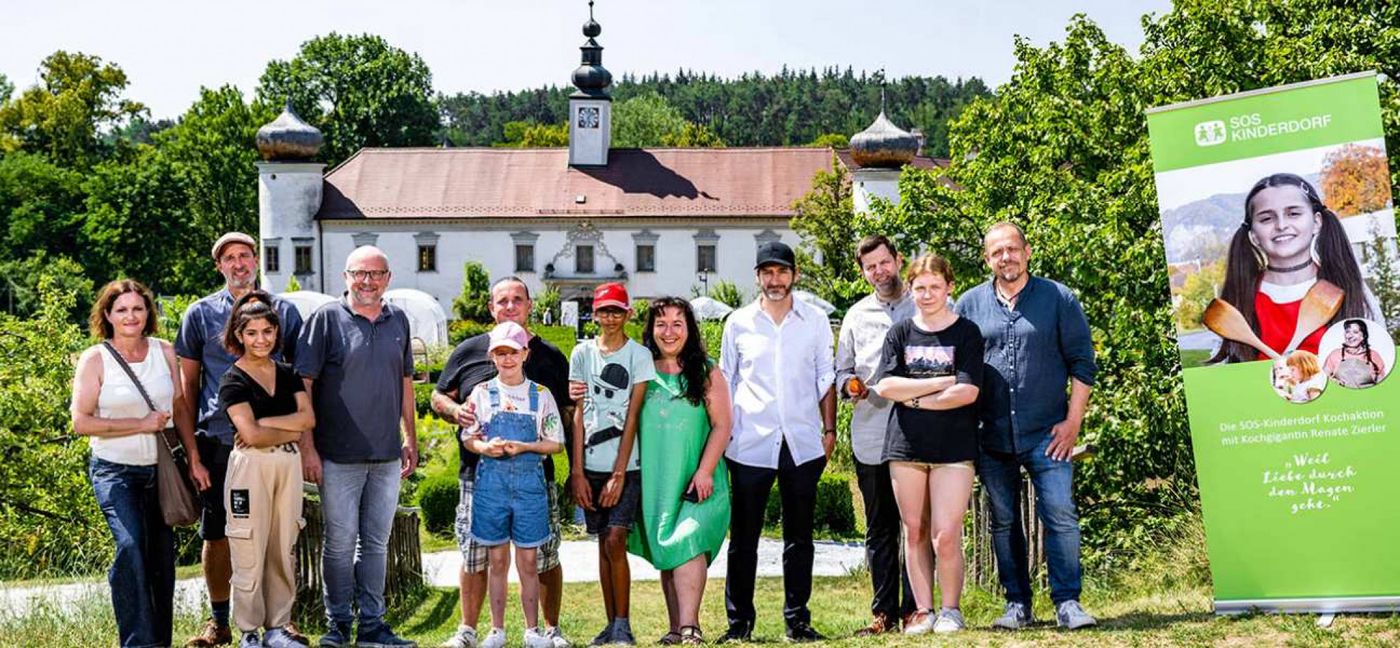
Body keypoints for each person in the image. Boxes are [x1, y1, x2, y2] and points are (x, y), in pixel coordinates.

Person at [954, 221, 1098, 630]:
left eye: (1012, 249)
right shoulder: (969, 305)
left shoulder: (1058, 298)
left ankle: (1068, 602)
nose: (1006, 257)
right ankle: (1017, 604)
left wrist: (1073, 422)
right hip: (991, 435)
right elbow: (955, 367)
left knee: (1061, 516)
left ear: (1027, 251)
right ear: (987, 259)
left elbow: (1083, 364)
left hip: (1048, 433)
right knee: (1003, 521)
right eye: (997, 252)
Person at [177, 232, 304, 648]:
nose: (238, 264)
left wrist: (304, 441)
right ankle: (220, 622)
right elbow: (187, 389)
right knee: (219, 535)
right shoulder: (198, 315)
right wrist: (193, 455)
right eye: (229, 258)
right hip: (218, 443)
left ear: (256, 260)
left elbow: (301, 383)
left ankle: (281, 621)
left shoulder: (284, 311)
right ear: (219, 266)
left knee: (279, 533)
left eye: (245, 256)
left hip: (276, 443)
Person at [431, 277, 573, 648]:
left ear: (529, 304)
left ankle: (547, 629)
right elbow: (437, 398)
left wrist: (574, 468)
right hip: (480, 477)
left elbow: (565, 418)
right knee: (476, 555)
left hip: (533, 481)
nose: (509, 306)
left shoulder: (551, 359)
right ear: (491, 308)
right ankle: (471, 630)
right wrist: (459, 413)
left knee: (543, 556)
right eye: (502, 301)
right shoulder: (468, 351)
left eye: (517, 300)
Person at [72, 279, 206, 648]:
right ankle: (137, 642)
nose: (130, 316)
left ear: (148, 312)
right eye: (122, 310)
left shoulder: (164, 351)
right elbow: (81, 421)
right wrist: (139, 424)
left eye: (137, 308)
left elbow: (179, 408)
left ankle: (159, 641)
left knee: (160, 562)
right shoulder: (95, 359)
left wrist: (194, 458)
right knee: (130, 549)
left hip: (161, 471)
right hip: (115, 472)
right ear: (107, 315)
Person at [295, 246, 418, 648]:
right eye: (359, 273)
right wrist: (307, 448)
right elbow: (304, 385)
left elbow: (405, 384)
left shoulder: (398, 319)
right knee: (340, 544)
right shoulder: (326, 319)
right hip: (336, 455)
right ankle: (337, 626)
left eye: (376, 274)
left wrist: (410, 438)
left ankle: (372, 627)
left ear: (388, 277)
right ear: (346, 277)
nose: (367, 281)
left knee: (377, 544)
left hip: (385, 455)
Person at [718, 241, 836, 643]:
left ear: (794, 274)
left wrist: (829, 430)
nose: (775, 279)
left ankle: (797, 620)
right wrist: (724, 435)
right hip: (750, 441)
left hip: (802, 441)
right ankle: (739, 624)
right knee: (744, 538)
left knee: (799, 538)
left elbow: (827, 376)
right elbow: (727, 380)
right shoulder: (738, 322)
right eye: (767, 272)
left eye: (782, 271)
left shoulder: (816, 320)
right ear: (757, 277)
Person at [869, 255, 983, 634]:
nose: (928, 294)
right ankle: (923, 610)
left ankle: (951, 609)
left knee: (945, 533)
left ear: (950, 287)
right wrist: (938, 384)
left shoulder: (966, 333)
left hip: (954, 448)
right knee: (913, 529)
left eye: (935, 287)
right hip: (905, 447)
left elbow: (967, 391)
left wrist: (913, 395)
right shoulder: (899, 334)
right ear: (911, 290)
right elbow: (886, 386)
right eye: (920, 287)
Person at [627, 297, 732, 646]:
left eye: (677, 323)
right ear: (650, 330)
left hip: (699, 477)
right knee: (667, 545)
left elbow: (722, 425)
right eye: (661, 324)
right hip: (657, 479)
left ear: (690, 329)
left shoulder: (706, 371)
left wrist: (705, 471)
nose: (669, 331)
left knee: (688, 540)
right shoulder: (640, 372)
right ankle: (675, 628)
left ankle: (691, 627)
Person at [460, 321, 566, 648]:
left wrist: (526, 447)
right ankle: (497, 630)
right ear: (492, 356)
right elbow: (468, 437)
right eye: (500, 353)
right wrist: (484, 448)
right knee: (497, 561)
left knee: (530, 562)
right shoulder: (482, 393)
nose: (507, 359)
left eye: (513, 352)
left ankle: (533, 631)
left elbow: (556, 443)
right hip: (491, 487)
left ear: (525, 354)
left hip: (530, 487)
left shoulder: (540, 395)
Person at [218, 293, 315, 648]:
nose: (261, 339)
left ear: (276, 333)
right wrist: (282, 426)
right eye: (252, 332)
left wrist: (269, 423)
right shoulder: (232, 379)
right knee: (249, 544)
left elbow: (309, 419)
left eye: (267, 331)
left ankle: (277, 627)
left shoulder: (288, 374)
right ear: (239, 335)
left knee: (282, 544)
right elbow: (250, 435)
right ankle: (249, 631)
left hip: (287, 462)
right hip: (250, 469)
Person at [833, 235, 916, 635]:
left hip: (921, 432)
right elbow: (842, 371)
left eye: (885, 262)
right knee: (880, 527)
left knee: (917, 524)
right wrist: (850, 386)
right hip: (873, 432)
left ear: (898, 260)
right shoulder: (856, 315)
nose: (880, 271)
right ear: (863, 272)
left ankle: (916, 609)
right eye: (871, 267)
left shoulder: (925, 303)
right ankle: (883, 612)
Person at [1210, 173, 1378, 363]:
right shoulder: (1237, 300)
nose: (1281, 225)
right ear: (1254, 235)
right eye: (1266, 219)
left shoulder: (1351, 290)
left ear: (1316, 222)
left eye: (1293, 214)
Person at [566, 283, 654, 646]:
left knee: (617, 539)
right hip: (590, 465)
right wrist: (577, 471)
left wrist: (620, 472)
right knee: (603, 543)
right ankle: (610, 624)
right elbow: (578, 416)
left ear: (628, 314)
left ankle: (624, 622)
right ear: (595, 314)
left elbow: (632, 416)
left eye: (617, 311)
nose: (610, 318)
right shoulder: (582, 354)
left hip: (626, 466)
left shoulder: (639, 356)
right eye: (604, 311)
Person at [1324, 319, 1386, 387]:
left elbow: (1382, 383)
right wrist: (1333, 381)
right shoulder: (1335, 355)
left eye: (1355, 332)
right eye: (1347, 332)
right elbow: (1323, 378)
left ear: (1363, 336)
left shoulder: (1374, 356)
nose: (1350, 336)